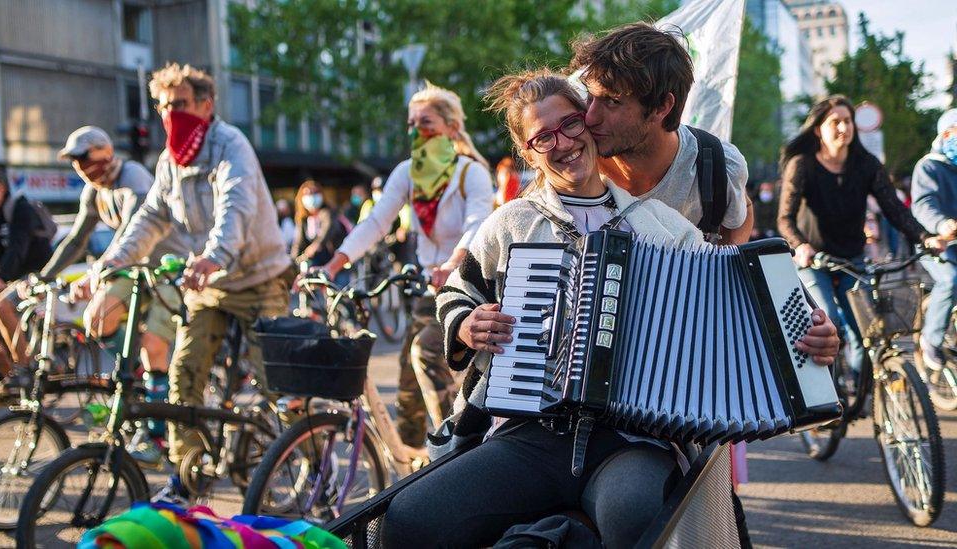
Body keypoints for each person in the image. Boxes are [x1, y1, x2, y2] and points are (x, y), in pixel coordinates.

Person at [381, 69, 840, 549]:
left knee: (635, 513)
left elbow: (738, 304)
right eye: (543, 137)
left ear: (589, 124)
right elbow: (456, 292)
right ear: (528, 151)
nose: (562, 143)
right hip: (531, 436)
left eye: (570, 124)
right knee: (411, 520)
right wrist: (466, 324)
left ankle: (555, 536)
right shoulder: (512, 224)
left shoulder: (658, 225)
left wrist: (806, 336)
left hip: (631, 441)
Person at [105, 63, 292, 497]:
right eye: (164, 106)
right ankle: (186, 476)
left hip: (258, 279)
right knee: (183, 375)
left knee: (274, 382)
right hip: (209, 285)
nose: (171, 113)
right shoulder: (172, 157)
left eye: (182, 104)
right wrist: (113, 260)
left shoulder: (230, 144)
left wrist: (213, 256)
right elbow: (151, 215)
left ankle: (302, 457)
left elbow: (237, 205)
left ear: (207, 105)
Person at [320, 82, 494, 448]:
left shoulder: (470, 173)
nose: (416, 131)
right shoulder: (409, 173)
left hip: (466, 287)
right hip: (427, 289)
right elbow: (377, 221)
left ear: (450, 128)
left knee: (427, 352)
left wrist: (454, 261)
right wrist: (335, 264)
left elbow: (477, 225)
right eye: (412, 123)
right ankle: (411, 463)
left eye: (426, 122)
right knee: (406, 386)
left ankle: (456, 445)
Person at [42, 126, 190, 463]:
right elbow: (77, 238)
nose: (79, 166)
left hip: (165, 266)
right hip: (129, 269)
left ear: (105, 153)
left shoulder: (133, 175)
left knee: (155, 343)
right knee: (96, 319)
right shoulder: (94, 191)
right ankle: (141, 374)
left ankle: (155, 434)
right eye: (74, 161)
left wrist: (96, 274)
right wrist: (44, 275)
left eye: (84, 157)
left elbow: (131, 232)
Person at [777, 95, 939, 375]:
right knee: (828, 323)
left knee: (867, 333)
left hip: (853, 259)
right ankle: (828, 395)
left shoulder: (866, 164)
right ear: (818, 129)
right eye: (835, 122)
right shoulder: (802, 165)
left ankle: (857, 392)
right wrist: (800, 245)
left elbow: (895, 209)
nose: (844, 128)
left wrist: (925, 238)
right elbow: (785, 218)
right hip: (815, 261)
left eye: (848, 121)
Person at [569, 23, 753, 244]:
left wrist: (720, 267)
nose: (590, 117)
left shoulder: (717, 165)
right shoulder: (576, 155)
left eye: (612, 101)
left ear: (662, 107)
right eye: (590, 97)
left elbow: (741, 213)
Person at [0, 165, 53, 380]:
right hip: (0, 281)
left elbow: (17, 249)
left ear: (1, 187)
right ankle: (8, 378)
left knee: (1, 305)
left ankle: (24, 369)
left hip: (32, 276)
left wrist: (0, 279)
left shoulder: (20, 208)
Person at [912, 108, 957, 370]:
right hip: (934, 244)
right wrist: (942, 224)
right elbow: (923, 205)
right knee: (950, 280)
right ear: (946, 134)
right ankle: (931, 339)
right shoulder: (928, 166)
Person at [291, 179, 348, 279]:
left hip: (333, 262)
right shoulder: (303, 220)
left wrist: (317, 245)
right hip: (313, 265)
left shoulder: (328, 213)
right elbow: (298, 243)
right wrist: (292, 262)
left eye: (315, 193)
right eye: (308, 194)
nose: (311, 197)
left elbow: (328, 229)